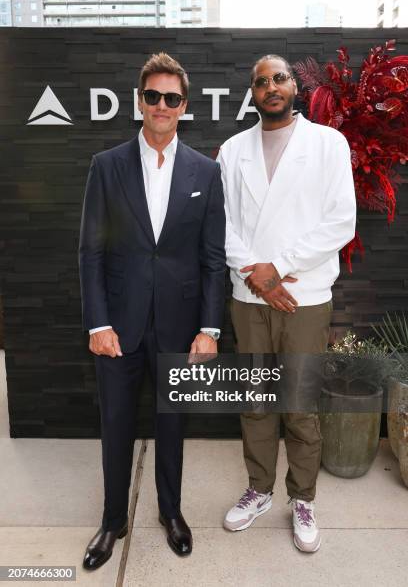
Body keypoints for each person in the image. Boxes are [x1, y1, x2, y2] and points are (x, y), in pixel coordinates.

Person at [79, 52, 226, 570]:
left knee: (171, 426)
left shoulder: (206, 172)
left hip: (180, 328)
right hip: (118, 326)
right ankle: (112, 519)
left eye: (172, 98)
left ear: (184, 107)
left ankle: (170, 512)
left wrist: (209, 328)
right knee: (115, 425)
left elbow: (212, 258)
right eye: (153, 96)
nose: (162, 106)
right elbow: (91, 252)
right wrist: (97, 323)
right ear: (139, 101)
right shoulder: (107, 166)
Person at [218, 54, 356, 553]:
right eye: (260, 81)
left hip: (305, 297)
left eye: (279, 77)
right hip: (248, 297)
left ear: (294, 85)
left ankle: (303, 497)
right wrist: (259, 276)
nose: (270, 86)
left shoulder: (328, 144)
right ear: (252, 94)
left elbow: (341, 221)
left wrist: (279, 267)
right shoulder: (232, 151)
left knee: (298, 406)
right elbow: (224, 224)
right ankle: (259, 489)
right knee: (256, 404)